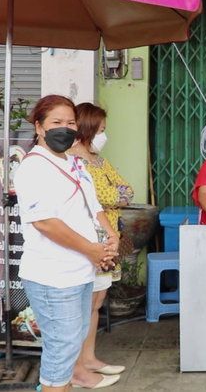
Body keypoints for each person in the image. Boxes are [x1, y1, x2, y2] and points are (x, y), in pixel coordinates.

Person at [14, 95, 120, 391]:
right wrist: (93, 250)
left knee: (72, 344)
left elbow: (94, 205)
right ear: (39, 127)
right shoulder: (34, 168)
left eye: (70, 122)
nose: (65, 128)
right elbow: (46, 222)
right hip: (53, 277)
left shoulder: (75, 163)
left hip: (79, 271)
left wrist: (110, 236)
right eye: (56, 122)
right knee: (62, 350)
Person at [68, 102, 134, 388]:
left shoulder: (97, 158)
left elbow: (126, 189)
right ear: (87, 128)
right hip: (87, 239)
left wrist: (117, 194)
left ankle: (90, 357)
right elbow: (101, 194)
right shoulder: (73, 159)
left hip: (109, 237)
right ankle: (77, 366)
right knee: (83, 303)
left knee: (96, 301)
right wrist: (115, 194)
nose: (103, 135)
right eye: (101, 130)